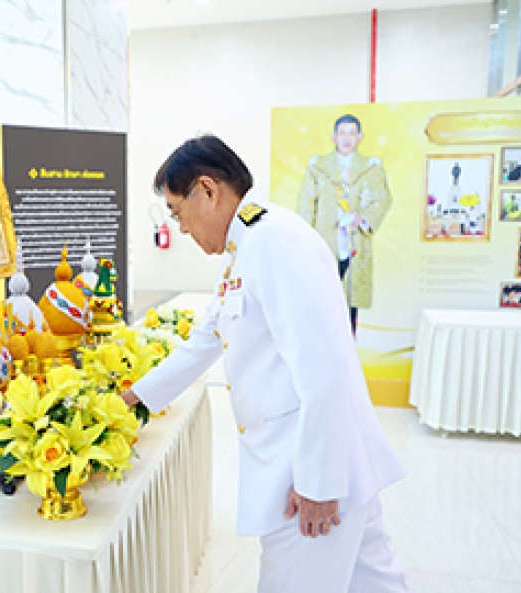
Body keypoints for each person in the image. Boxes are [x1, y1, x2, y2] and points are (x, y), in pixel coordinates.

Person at [120, 135, 410, 593]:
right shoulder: (248, 246)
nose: (183, 231)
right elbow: (206, 339)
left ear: (208, 190)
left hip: (308, 481)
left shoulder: (274, 242)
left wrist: (318, 483)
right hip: (328, 462)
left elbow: (325, 369)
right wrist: (133, 397)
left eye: (178, 214)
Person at [296, 114, 392, 333]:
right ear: (334, 136)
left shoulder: (370, 167)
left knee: (350, 303)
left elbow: (382, 199)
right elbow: (305, 205)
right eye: (342, 133)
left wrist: (363, 218)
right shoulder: (318, 167)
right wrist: (304, 242)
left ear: (359, 137)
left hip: (354, 242)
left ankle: (347, 355)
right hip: (325, 241)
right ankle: (322, 351)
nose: (347, 138)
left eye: (352, 133)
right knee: (322, 297)